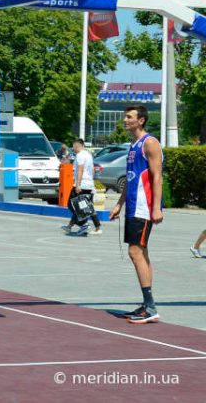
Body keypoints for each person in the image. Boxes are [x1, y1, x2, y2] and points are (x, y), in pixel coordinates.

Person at [109, 105, 164, 324]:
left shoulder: (149, 143)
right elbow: (131, 179)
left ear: (141, 120)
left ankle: (150, 307)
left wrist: (157, 207)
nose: (125, 120)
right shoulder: (133, 146)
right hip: (132, 206)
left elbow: (157, 176)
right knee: (141, 253)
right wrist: (119, 204)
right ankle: (147, 305)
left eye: (130, 117)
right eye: (125, 116)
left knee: (135, 252)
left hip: (144, 207)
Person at [65, 138, 102, 236]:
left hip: (82, 184)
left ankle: (83, 224)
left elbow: (80, 170)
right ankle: (73, 225)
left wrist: (78, 185)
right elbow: (92, 170)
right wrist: (92, 183)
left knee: (71, 204)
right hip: (88, 184)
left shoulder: (80, 155)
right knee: (86, 206)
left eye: (74, 147)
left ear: (77, 146)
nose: (73, 149)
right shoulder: (88, 155)